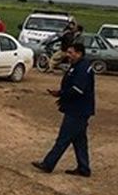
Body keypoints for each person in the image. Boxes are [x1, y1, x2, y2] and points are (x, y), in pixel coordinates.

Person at [34, 41, 96, 176]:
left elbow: (77, 90)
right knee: (79, 140)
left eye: (71, 53)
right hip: (76, 109)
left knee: (64, 138)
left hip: (78, 110)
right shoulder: (77, 65)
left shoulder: (83, 68)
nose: (68, 55)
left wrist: (61, 94)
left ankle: (48, 164)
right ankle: (84, 168)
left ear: (79, 53)